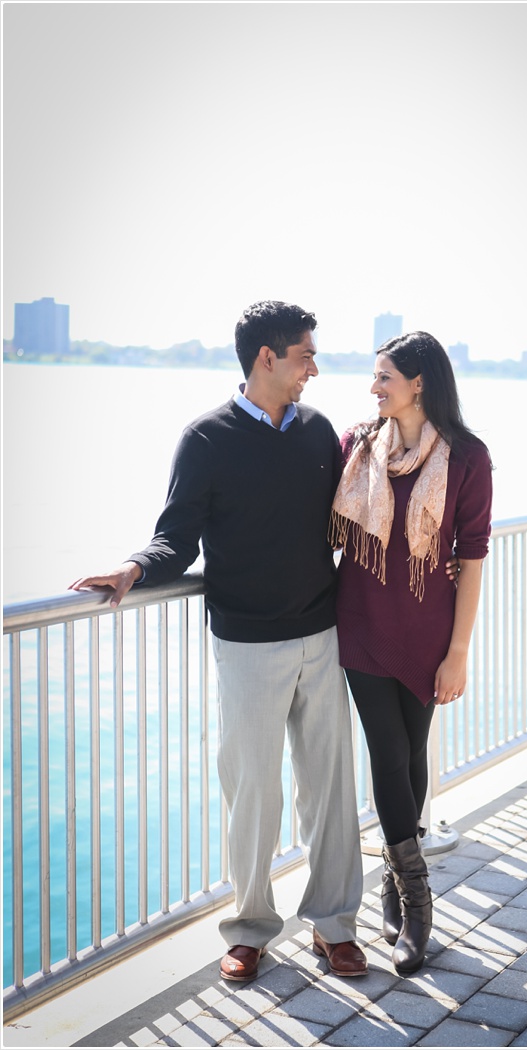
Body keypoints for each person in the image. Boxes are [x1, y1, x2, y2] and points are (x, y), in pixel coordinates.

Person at [70, 302, 369, 982]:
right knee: (252, 792)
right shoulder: (204, 439)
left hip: (320, 635)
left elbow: (350, 520)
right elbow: (177, 534)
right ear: (267, 357)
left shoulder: (321, 433)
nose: (314, 368)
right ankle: (252, 929)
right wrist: (134, 567)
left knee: (329, 788)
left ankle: (334, 924)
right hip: (248, 645)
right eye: (304, 355)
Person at [329, 331, 491, 976]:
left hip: (427, 635)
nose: (374, 388)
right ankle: (418, 907)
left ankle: (397, 896)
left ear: (419, 381)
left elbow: (472, 558)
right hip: (361, 625)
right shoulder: (356, 446)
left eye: (384, 378)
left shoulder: (468, 457)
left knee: (412, 753)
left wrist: (459, 654)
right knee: (388, 753)